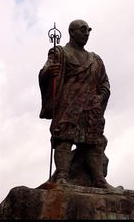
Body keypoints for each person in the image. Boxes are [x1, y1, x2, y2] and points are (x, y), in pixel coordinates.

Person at [39, 19, 110, 188]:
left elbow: (105, 83)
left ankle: (99, 179)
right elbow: (45, 71)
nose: (86, 33)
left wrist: (99, 98)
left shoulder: (95, 59)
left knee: (94, 142)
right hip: (68, 103)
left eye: (88, 30)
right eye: (83, 29)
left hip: (91, 107)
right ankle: (62, 176)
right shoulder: (60, 53)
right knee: (64, 138)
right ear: (71, 31)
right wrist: (49, 72)